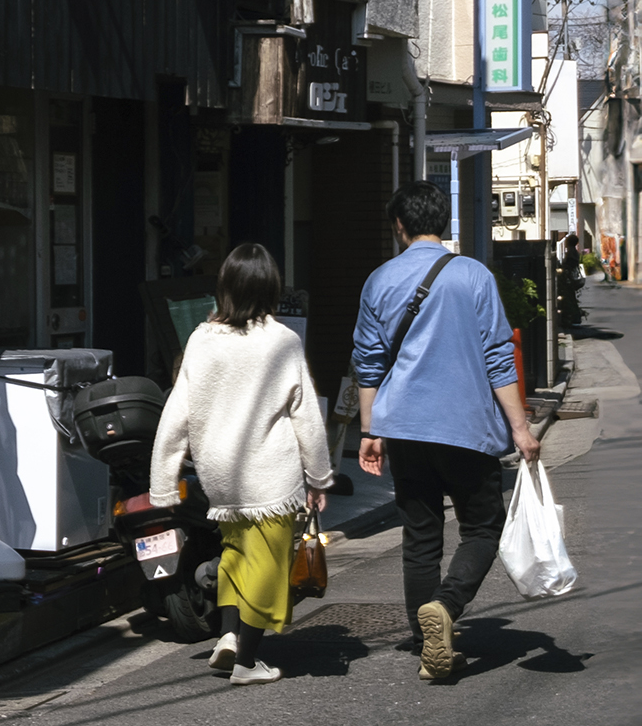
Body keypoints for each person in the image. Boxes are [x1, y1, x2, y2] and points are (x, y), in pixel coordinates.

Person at [354, 178, 541, 685]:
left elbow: (368, 363)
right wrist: (520, 429)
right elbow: (499, 357)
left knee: (420, 536)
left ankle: (424, 644)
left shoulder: (380, 280)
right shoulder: (474, 276)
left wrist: (369, 430)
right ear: (445, 223)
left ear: (399, 226)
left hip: (404, 427)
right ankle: (446, 605)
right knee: (483, 525)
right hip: (465, 426)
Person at [149, 241, 332, 685]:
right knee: (267, 565)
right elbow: (306, 416)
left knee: (235, 555)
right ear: (271, 288)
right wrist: (320, 477)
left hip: (221, 478)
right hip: (271, 477)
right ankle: (248, 662)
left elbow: (177, 412)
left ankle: (229, 637)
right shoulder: (282, 342)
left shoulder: (201, 339)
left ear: (224, 287)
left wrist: (163, 482)